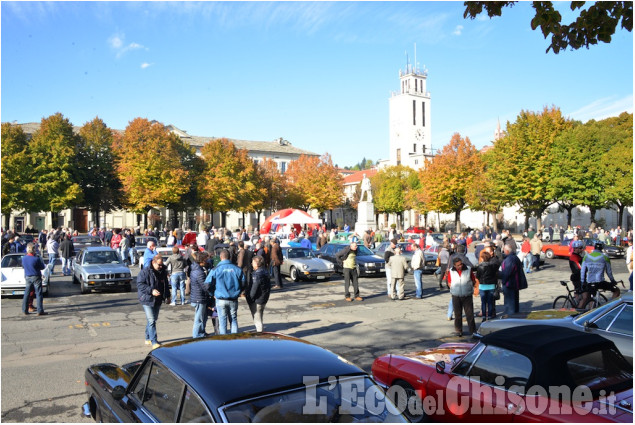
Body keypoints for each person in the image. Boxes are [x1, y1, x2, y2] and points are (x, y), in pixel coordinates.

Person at [205, 249, 244, 334]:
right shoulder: (237, 269)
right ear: (229, 257)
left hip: (220, 299)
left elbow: (207, 284)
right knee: (233, 319)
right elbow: (244, 282)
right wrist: (239, 292)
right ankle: (234, 341)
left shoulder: (215, 269)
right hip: (233, 298)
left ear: (220, 257)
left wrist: (212, 294)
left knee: (222, 322)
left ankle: (224, 342)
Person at [137, 254, 170, 349]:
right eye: (158, 265)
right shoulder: (145, 272)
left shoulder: (163, 271)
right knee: (151, 320)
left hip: (158, 299)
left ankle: (147, 337)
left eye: (161, 265)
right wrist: (151, 291)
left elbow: (166, 284)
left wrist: (167, 296)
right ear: (153, 262)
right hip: (147, 298)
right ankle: (154, 341)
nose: (160, 267)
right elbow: (140, 284)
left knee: (153, 319)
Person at [579, 241, 619, 308]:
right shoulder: (605, 256)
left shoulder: (586, 256)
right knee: (616, 290)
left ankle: (589, 312)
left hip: (589, 282)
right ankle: (610, 307)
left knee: (591, 298)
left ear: (594, 247)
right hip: (600, 282)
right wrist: (612, 281)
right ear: (602, 248)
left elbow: (582, 271)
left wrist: (582, 282)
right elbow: (609, 272)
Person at [446, 257, 476, 336]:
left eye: (461, 264)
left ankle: (473, 331)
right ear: (454, 266)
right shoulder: (451, 271)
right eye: (458, 265)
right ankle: (458, 330)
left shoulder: (468, 269)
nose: (460, 266)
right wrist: (453, 288)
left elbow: (473, 279)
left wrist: (470, 288)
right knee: (457, 314)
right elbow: (449, 282)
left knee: (470, 314)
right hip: (456, 295)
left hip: (467, 295)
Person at [499, 243, 527, 317]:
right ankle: (514, 316)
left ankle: (511, 319)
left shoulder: (510, 259)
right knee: (514, 303)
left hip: (510, 284)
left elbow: (507, 273)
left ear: (507, 251)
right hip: (514, 283)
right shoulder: (514, 257)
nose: (503, 251)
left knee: (510, 305)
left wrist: (503, 282)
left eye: (504, 250)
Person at [246, 255, 271, 332]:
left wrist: (250, 298)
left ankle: (260, 336)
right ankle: (260, 332)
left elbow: (254, 288)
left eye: (253, 262)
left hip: (257, 300)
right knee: (260, 317)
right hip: (264, 298)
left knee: (257, 319)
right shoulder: (265, 272)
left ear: (257, 263)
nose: (251, 264)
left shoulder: (257, 274)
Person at [22, 243, 48, 316]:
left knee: (27, 293)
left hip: (28, 276)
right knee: (39, 293)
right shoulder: (36, 258)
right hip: (36, 276)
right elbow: (42, 267)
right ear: (34, 250)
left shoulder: (24, 258)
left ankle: (25, 309)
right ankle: (40, 310)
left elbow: (23, 266)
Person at [189, 251, 211, 338]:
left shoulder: (196, 269)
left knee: (203, 317)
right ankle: (196, 335)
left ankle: (201, 333)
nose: (207, 262)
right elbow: (205, 286)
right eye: (206, 260)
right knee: (199, 318)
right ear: (201, 261)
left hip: (198, 297)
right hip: (199, 298)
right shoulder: (199, 272)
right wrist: (211, 292)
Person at [475, 250, 497, 321]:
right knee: (490, 302)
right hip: (491, 285)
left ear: (482, 258)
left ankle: (484, 316)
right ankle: (490, 315)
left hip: (483, 285)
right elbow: (495, 275)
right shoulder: (493, 266)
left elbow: (477, 276)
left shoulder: (480, 266)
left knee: (483, 302)